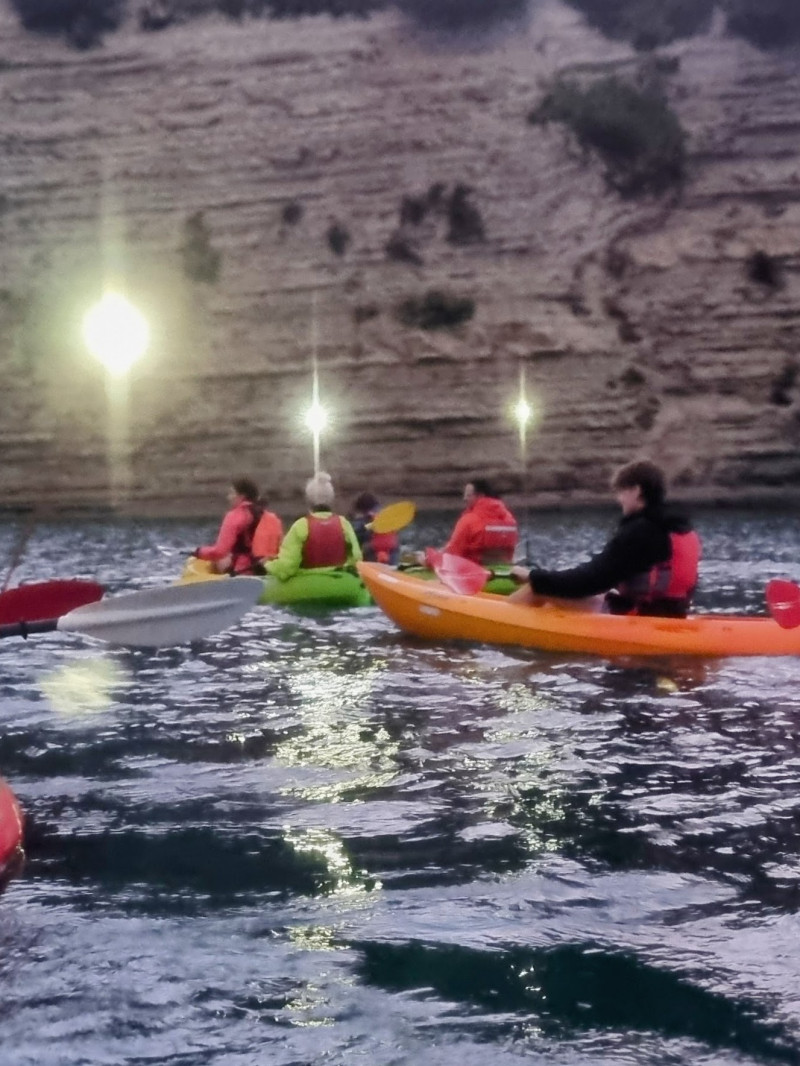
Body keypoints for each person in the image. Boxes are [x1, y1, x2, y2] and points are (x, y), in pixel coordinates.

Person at [509, 459, 701, 617]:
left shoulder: (641, 530)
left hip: (639, 618)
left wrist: (533, 576)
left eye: (621, 492)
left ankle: (506, 625)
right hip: (674, 615)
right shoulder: (682, 528)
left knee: (537, 589)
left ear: (635, 490)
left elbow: (590, 580)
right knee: (591, 596)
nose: (619, 500)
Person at [265, 471, 362, 581]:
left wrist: (267, 565)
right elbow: (356, 558)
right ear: (331, 500)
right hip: (339, 584)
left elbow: (286, 567)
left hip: (308, 586)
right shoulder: (344, 523)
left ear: (308, 500)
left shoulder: (300, 526)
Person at [420, 478, 519, 566]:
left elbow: (451, 555)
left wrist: (428, 560)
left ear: (480, 496)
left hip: (473, 575)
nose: (464, 499)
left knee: (421, 557)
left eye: (468, 495)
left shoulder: (469, 521)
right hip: (503, 572)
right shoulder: (510, 519)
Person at [195, 477, 265, 575]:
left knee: (217, 560)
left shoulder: (235, 515)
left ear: (242, 496)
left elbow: (219, 551)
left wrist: (198, 552)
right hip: (264, 568)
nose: (229, 497)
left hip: (242, 571)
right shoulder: (266, 515)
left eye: (232, 493)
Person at [350, 491, 400, 565]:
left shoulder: (363, 520)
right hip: (392, 553)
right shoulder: (386, 515)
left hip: (374, 553)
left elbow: (354, 537)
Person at [251, 495, 284, 563]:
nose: (258, 507)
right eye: (256, 504)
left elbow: (280, 541)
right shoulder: (245, 519)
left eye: (261, 504)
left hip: (270, 560)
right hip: (251, 560)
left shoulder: (273, 520)